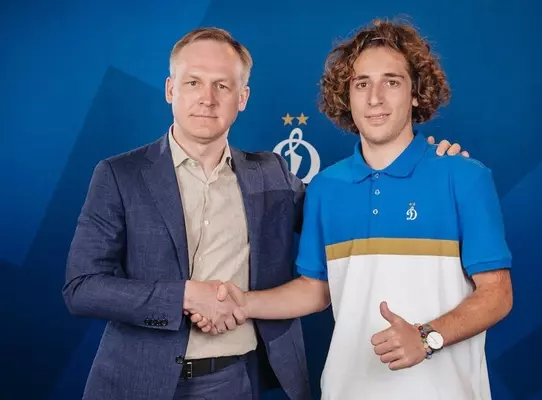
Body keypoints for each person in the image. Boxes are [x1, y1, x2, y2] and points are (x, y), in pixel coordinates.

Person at [63, 26, 466, 400]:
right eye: (193, 82)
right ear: (171, 89)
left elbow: (352, 218)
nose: (207, 98)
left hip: (233, 382)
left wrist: (427, 170)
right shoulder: (120, 175)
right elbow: (82, 287)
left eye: (222, 85)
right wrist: (185, 295)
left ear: (242, 98)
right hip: (136, 382)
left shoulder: (270, 173)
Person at [195, 19, 513, 400]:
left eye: (391, 82)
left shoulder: (463, 177)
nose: (375, 98)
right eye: (362, 84)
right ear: (347, 96)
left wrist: (427, 337)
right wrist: (244, 304)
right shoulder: (326, 188)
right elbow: (316, 290)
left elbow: (497, 293)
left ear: (415, 93)